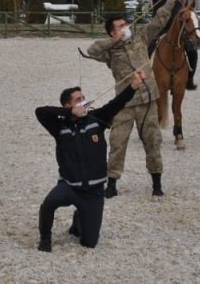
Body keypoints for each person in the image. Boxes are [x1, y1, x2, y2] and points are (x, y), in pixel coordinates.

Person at [35, 70, 147, 252]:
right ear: (67, 105)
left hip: (93, 192)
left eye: (83, 97)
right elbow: (40, 112)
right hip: (69, 185)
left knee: (89, 243)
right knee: (48, 203)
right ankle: (45, 239)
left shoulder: (97, 119)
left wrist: (134, 85)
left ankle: (79, 219)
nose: (83, 101)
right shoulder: (59, 126)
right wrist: (69, 113)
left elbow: (117, 103)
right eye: (78, 99)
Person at [84, 0, 180, 198]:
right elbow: (92, 51)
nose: (125, 28)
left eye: (125, 24)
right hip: (124, 104)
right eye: (120, 27)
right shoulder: (109, 50)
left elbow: (158, 21)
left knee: (152, 141)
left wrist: (171, 1)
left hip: (148, 100)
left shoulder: (141, 39)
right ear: (112, 32)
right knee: (118, 143)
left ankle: (156, 182)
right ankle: (112, 183)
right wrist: (114, 41)